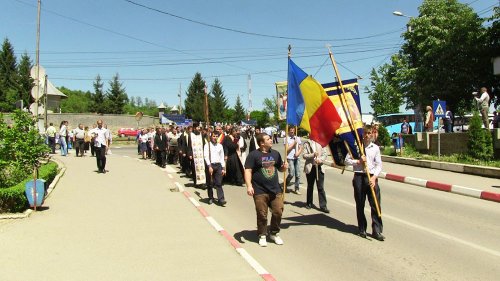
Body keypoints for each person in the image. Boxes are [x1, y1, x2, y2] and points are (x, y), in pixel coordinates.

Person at [244, 133, 288, 247]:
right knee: (262, 214)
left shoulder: (275, 153)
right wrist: (249, 185)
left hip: (275, 189)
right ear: (262, 143)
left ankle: (274, 233)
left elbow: (280, 168)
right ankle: (262, 235)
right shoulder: (253, 155)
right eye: (268, 139)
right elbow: (248, 170)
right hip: (260, 190)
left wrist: (284, 167)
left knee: (278, 211)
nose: (271, 140)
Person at [345, 124, 384, 241]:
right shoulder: (356, 147)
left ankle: (377, 230)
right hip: (359, 177)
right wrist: (358, 161)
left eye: (369, 133)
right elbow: (347, 160)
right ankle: (362, 228)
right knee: (360, 204)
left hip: (371, 178)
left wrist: (374, 177)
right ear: (362, 135)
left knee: (375, 204)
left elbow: (379, 165)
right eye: (365, 133)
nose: (367, 136)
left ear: (372, 134)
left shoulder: (375, 148)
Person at [302, 138, 330, 213]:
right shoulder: (307, 143)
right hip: (311, 167)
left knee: (320, 187)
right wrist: (313, 155)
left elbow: (325, 154)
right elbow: (304, 155)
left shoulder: (321, 142)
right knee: (310, 186)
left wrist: (320, 160)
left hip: (319, 167)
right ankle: (309, 203)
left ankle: (323, 206)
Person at [204, 131, 226, 206]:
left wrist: (223, 168)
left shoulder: (220, 146)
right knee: (210, 183)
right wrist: (209, 166)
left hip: (218, 165)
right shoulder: (207, 145)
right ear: (211, 136)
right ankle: (210, 197)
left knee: (219, 183)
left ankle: (221, 199)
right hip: (210, 165)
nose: (215, 137)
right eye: (214, 136)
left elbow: (222, 157)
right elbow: (206, 156)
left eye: (216, 136)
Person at [284, 127, 303, 194]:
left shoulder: (297, 138)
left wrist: (298, 153)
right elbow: (286, 150)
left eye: (293, 130)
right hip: (290, 158)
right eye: (290, 130)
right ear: (288, 131)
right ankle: (285, 185)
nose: (292, 131)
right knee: (291, 174)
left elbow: (301, 148)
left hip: (297, 158)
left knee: (298, 174)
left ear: (295, 131)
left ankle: (296, 188)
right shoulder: (286, 138)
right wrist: (293, 144)